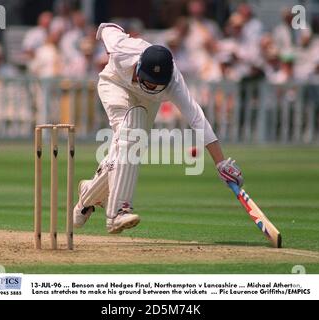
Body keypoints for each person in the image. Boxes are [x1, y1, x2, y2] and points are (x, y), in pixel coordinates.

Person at [73, 23, 244, 234]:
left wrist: (221, 162)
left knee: (128, 149)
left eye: (156, 85)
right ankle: (117, 212)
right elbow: (106, 27)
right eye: (149, 81)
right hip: (114, 85)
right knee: (130, 136)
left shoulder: (173, 81)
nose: (152, 86)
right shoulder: (122, 48)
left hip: (148, 103)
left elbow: (197, 118)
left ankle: (88, 195)